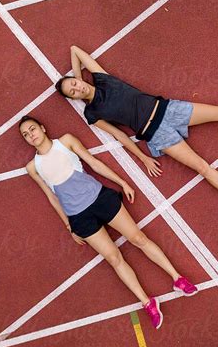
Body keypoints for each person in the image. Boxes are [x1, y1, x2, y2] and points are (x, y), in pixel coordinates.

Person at [55, 45, 218, 229]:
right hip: (156, 134)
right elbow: (120, 135)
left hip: (168, 109)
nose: (77, 88)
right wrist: (143, 158)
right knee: (202, 168)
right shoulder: (93, 113)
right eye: (72, 92)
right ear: (74, 99)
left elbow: (75, 50)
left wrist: (75, 76)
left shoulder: (101, 78)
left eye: (74, 84)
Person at [19, 115, 198, 329]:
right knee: (114, 259)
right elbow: (52, 197)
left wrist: (122, 182)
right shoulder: (33, 167)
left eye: (32, 129)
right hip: (80, 218)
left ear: (43, 127)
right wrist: (69, 226)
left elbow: (93, 163)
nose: (31, 135)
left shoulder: (66, 141)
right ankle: (147, 302)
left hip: (100, 199)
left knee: (138, 238)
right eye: (26, 135)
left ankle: (177, 278)